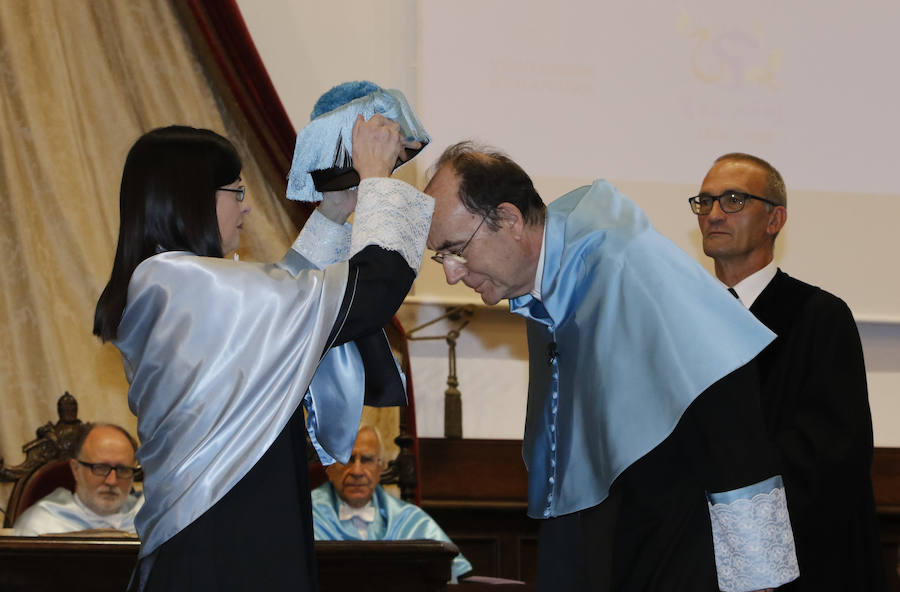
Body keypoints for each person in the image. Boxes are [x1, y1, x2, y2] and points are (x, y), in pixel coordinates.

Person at [424, 141, 799, 591]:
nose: (452, 272)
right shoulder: (548, 279)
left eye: (456, 249)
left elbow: (725, 399)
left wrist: (758, 575)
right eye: (441, 256)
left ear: (509, 219)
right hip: (599, 530)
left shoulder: (625, 264)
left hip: (667, 539)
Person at [92, 114, 433, 590]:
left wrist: (334, 212)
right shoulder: (182, 282)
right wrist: (378, 182)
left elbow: (281, 305)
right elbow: (367, 293)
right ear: (194, 199)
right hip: (230, 531)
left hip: (214, 527)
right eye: (237, 192)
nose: (245, 209)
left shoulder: (168, 280)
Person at [692, 153, 884, 591]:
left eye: (734, 200)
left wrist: (738, 511)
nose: (715, 214)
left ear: (775, 219)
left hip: (799, 561)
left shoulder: (819, 316)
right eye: (705, 202)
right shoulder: (684, 319)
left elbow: (833, 450)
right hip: (697, 559)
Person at [311, 425, 473, 582]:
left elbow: (455, 570)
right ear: (329, 469)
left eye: (367, 459)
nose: (357, 471)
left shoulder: (410, 519)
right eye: (347, 460)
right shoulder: (307, 517)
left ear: (380, 468)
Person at [13, 423, 143, 536]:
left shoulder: (153, 521)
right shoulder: (41, 524)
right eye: (100, 468)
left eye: (123, 469)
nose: (112, 481)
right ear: (76, 469)